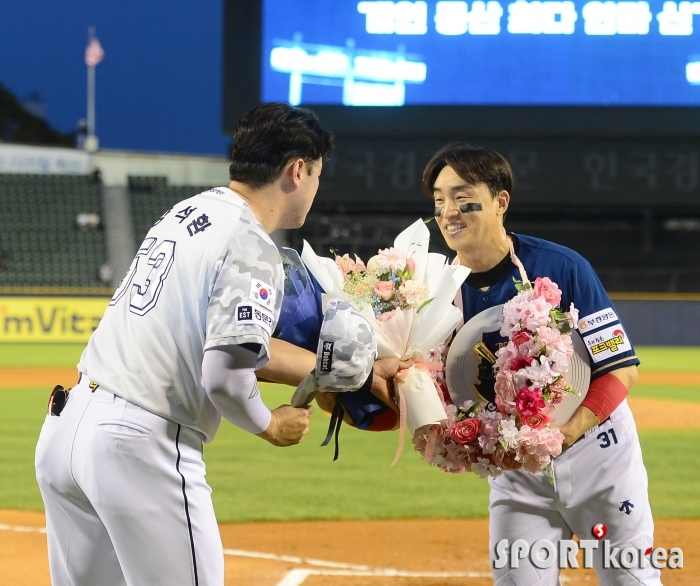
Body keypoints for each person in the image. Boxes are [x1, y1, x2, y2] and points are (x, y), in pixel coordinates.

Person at [35, 102, 338, 586]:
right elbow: (223, 374)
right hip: (138, 443)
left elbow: (231, 345)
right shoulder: (251, 242)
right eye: (318, 174)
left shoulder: (187, 211)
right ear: (297, 170)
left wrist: (338, 366)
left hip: (67, 428)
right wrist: (268, 424)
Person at [423, 143, 660, 585]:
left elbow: (621, 368)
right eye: (438, 199)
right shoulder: (434, 289)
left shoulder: (562, 267)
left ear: (501, 201)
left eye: (461, 195)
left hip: (599, 458)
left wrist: (566, 432)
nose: (447, 210)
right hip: (517, 475)